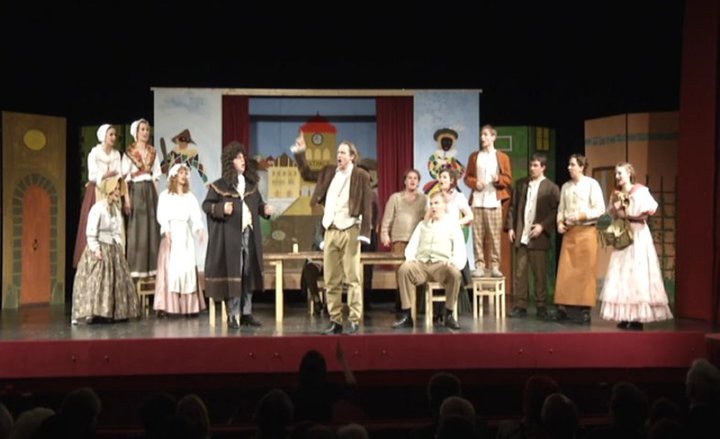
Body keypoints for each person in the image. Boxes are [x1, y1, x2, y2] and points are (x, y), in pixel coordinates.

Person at [291, 133, 373, 335]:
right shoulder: (329, 172)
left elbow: (367, 206)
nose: (339, 155)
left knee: (352, 278)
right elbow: (306, 173)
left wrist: (364, 232)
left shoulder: (360, 175)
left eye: (343, 153)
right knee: (331, 279)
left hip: (350, 229)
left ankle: (353, 319)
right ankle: (335, 320)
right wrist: (300, 151)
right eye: (338, 152)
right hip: (330, 230)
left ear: (352, 156)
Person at [203, 142, 272, 329]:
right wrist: (221, 208)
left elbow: (258, 205)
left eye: (243, 157)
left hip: (249, 234)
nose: (243, 160)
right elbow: (207, 206)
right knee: (235, 272)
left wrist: (264, 210)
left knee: (248, 272)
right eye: (238, 157)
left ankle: (246, 312)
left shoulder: (251, 186)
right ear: (230, 161)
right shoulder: (219, 186)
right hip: (231, 236)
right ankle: (233, 314)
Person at [598, 162, 673, 330]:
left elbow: (647, 212)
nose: (617, 176)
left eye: (620, 173)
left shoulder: (640, 191)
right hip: (623, 234)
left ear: (629, 174)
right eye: (616, 174)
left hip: (638, 234)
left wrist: (628, 213)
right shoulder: (616, 194)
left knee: (638, 272)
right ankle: (625, 316)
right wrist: (616, 209)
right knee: (622, 273)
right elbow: (610, 214)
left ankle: (638, 317)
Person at [71, 177, 140, 324]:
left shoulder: (115, 209)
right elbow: (91, 231)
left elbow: (116, 231)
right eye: (115, 189)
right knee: (97, 280)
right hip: (99, 246)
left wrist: (119, 248)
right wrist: (96, 249)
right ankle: (94, 312)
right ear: (108, 190)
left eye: (118, 189)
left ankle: (113, 312)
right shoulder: (98, 208)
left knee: (116, 280)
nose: (117, 192)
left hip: (112, 248)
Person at [392, 191, 466, 330]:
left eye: (436, 203)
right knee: (404, 270)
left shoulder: (452, 225)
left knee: (455, 273)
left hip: (441, 266)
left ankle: (449, 314)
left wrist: (453, 261)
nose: (433, 206)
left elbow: (460, 248)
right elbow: (412, 245)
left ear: (444, 205)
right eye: (431, 204)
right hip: (422, 265)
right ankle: (407, 315)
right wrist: (410, 258)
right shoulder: (422, 225)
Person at [506, 154, 560, 319]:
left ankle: (541, 305)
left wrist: (542, 226)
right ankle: (520, 305)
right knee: (520, 273)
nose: (532, 168)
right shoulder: (521, 184)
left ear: (543, 167)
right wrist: (511, 228)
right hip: (522, 236)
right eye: (531, 165)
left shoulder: (551, 188)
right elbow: (513, 207)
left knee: (539, 274)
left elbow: (556, 211)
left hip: (538, 238)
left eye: (535, 165)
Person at [554, 154, 605, 324]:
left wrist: (581, 215)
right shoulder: (565, 187)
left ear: (582, 167)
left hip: (587, 233)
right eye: (569, 164)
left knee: (585, 273)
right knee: (566, 272)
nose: (569, 167)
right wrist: (559, 223)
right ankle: (564, 308)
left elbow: (600, 209)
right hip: (570, 233)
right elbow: (561, 209)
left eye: (573, 165)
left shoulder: (592, 184)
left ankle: (584, 309)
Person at [73, 123, 130, 268]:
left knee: (115, 222)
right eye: (111, 134)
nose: (114, 137)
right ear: (103, 136)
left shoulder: (116, 154)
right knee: (96, 222)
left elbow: (119, 173)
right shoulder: (94, 153)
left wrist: (116, 180)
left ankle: (116, 256)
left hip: (113, 190)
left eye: (115, 135)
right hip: (98, 190)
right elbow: (92, 175)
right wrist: (105, 175)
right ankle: (95, 256)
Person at [154, 164, 207, 317]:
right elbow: (161, 215)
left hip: (185, 235)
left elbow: (195, 216)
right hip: (172, 233)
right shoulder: (165, 196)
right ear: (174, 176)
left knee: (187, 269)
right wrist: (166, 229)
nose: (183, 175)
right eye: (181, 173)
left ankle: (189, 307)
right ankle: (169, 306)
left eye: (185, 173)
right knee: (172, 270)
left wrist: (200, 228)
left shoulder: (190, 197)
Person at [464, 124, 513, 278]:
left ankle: (495, 266)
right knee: (477, 236)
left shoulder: (502, 157)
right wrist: (475, 183)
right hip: (478, 202)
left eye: (486, 134)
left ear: (493, 137)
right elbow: (467, 177)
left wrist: (498, 179)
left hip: (493, 202)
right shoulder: (474, 156)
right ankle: (479, 265)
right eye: (482, 135)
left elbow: (508, 179)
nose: (482, 137)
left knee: (494, 236)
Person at [380, 169, 427, 311]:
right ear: (405, 181)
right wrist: (385, 234)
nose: (412, 180)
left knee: (417, 272)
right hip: (399, 240)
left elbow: (427, 220)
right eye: (409, 178)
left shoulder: (424, 199)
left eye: (415, 178)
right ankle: (403, 306)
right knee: (401, 273)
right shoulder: (395, 198)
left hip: (417, 242)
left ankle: (417, 307)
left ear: (418, 182)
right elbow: (387, 218)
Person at [122, 118, 162, 280]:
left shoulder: (152, 152)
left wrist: (159, 199)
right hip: (136, 191)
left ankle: (152, 269)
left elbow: (156, 177)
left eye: (147, 129)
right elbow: (124, 178)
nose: (145, 132)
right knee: (138, 230)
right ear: (136, 132)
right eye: (142, 129)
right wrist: (127, 199)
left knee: (152, 229)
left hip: (150, 191)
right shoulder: (129, 153)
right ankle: (136, 269)